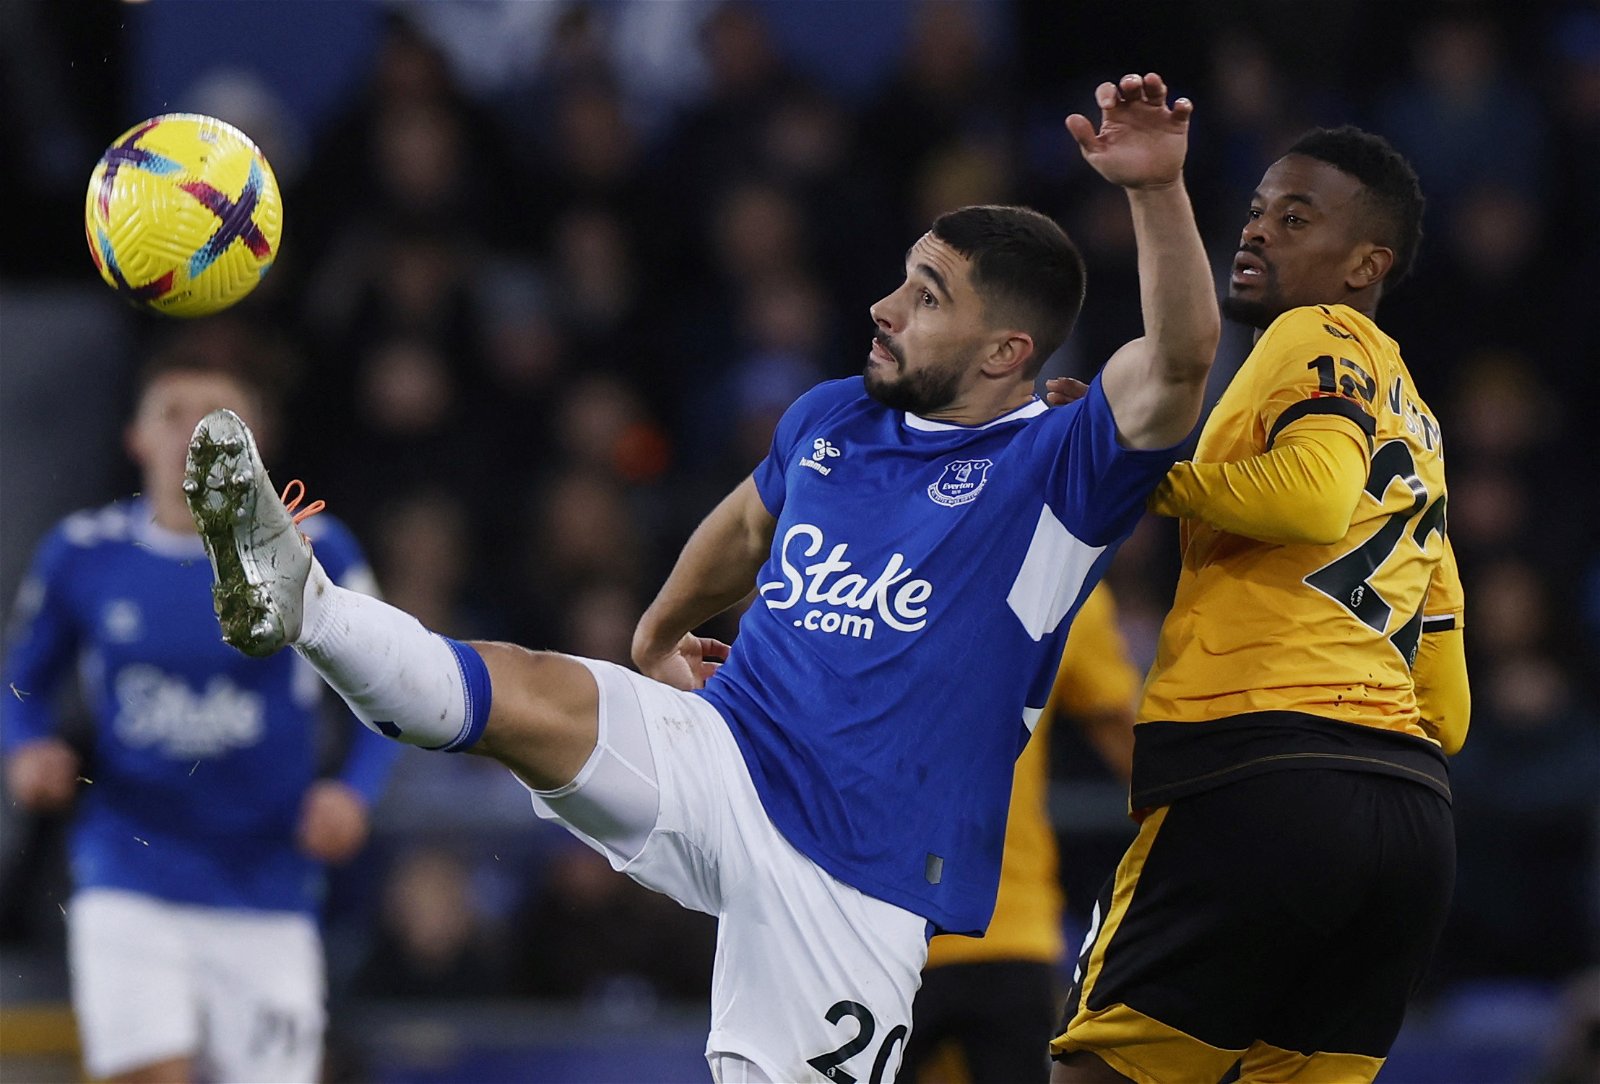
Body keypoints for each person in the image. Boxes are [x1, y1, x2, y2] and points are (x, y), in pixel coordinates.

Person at [184, 72, 1219, 1084]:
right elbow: (744, 522)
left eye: (925, 294)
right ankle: (303, 604)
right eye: (903, 276)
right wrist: (655, 628)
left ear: (1007, 351)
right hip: (727, 749)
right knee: (526, 691)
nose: (884, 304)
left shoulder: (1060, 467)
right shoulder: (833, 416)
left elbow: (1177, 359)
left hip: (858, 871)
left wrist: (1154, 189)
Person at [1048, 126, 1469, 1083]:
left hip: (1261, 772)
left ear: (1368, 263)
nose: (1258, 232)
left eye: (1295, 218)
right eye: (1256, 211)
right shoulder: (1421, 424)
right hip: (1409, 821)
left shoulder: (1310, 334)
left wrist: (1150, 474)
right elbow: (1448, 701)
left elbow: (1313, 494)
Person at [0, 345, 399, 1084]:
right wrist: (27, 750)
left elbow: (390, 686)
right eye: (172, 413)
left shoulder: (318, 550)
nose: (192, 431)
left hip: (269, 882)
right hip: (128, 872)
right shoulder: (83, 554)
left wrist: (355, 791)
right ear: (136, 437)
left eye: (216, 416)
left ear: (256, 440)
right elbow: (22, 680)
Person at [903, 583, 1140, 1084]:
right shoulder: (1069, 584)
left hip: (885, 923)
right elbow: (1141, 761)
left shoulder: (871, 568)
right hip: (1010, 927)